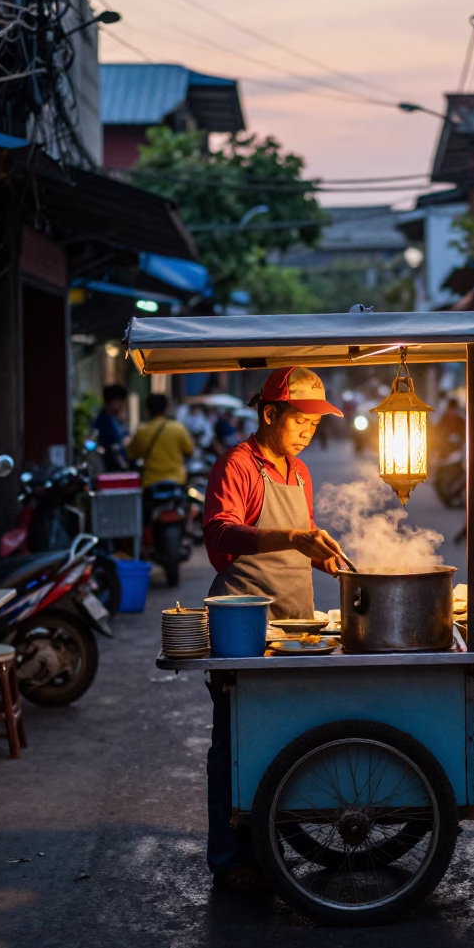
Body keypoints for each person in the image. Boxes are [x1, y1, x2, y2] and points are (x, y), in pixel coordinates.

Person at [202, 366, 346, 889]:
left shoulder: (300, 472)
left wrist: (322, 559)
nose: (309, 431)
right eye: (300, 420)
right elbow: (221, 533)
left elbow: (297, 543)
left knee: (286, 740)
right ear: (269, 414)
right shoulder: (237, 465)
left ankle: (269, 843)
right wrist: (294, 536)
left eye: (316, 423)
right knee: (235, 739)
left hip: (295, 624)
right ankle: (230, 856)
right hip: (244, 625)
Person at [126, 394, 194, 488]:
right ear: (166, 409)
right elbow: (189, 452)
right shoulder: (178, 429)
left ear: (147, 410)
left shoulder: (141, 431)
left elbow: (131, 454)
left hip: (150, 483)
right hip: (176, 481)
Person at [92, 384, 129, 471]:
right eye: (120, 401)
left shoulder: (114, 419)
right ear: (113, 402)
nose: (122, 405)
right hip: (110, 468)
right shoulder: (104, 422)